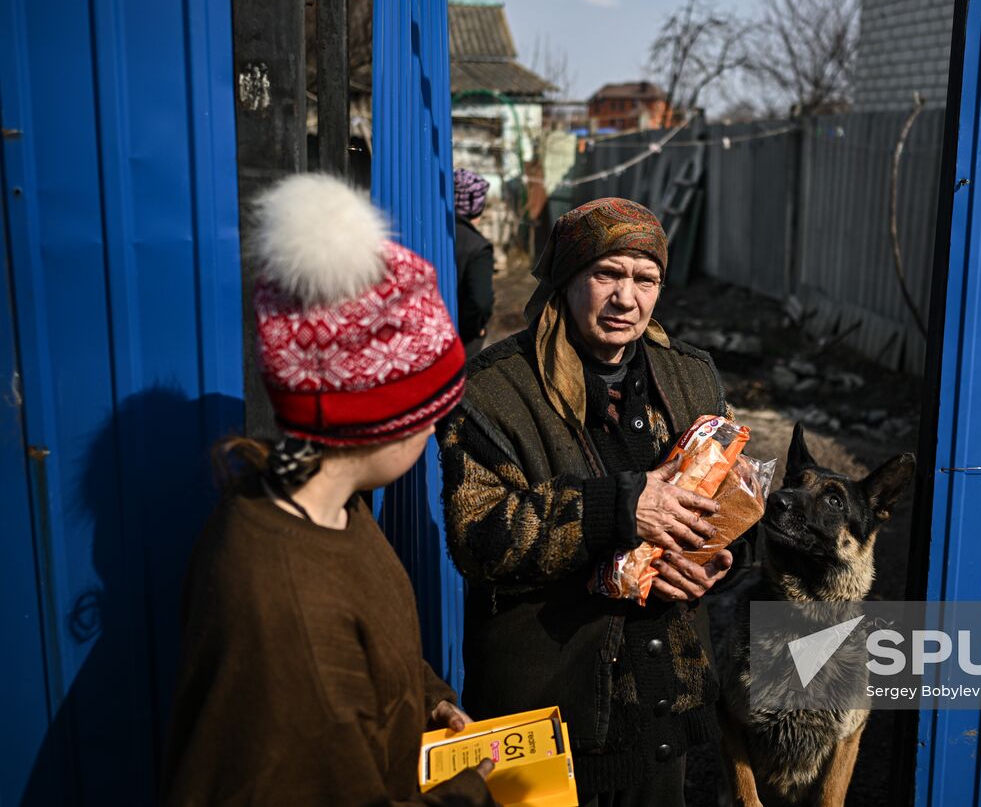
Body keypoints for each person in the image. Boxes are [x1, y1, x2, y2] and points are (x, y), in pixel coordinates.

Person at [162, 173, 494, 806]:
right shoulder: (287, 604)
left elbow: (363, 648)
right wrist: (470, 795)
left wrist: (428, 699)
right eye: (430, 409)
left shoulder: (320, 508)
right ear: (380, 418)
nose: (432, 428)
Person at [438, 198, 748, 806]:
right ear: (568, 277)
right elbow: (478, 537)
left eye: (645, 279)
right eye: (606, 273)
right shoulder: (495, 392)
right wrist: (616, 510)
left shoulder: (690, 377)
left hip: (661, 704)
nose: (626, 298)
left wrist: (713, 555)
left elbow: (734, 496)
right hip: (549, 711)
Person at [453, 169, 495, 358]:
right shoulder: (478, 247)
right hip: (461, 341)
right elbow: (480, 301)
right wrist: (473, 329)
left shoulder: (433, 233)